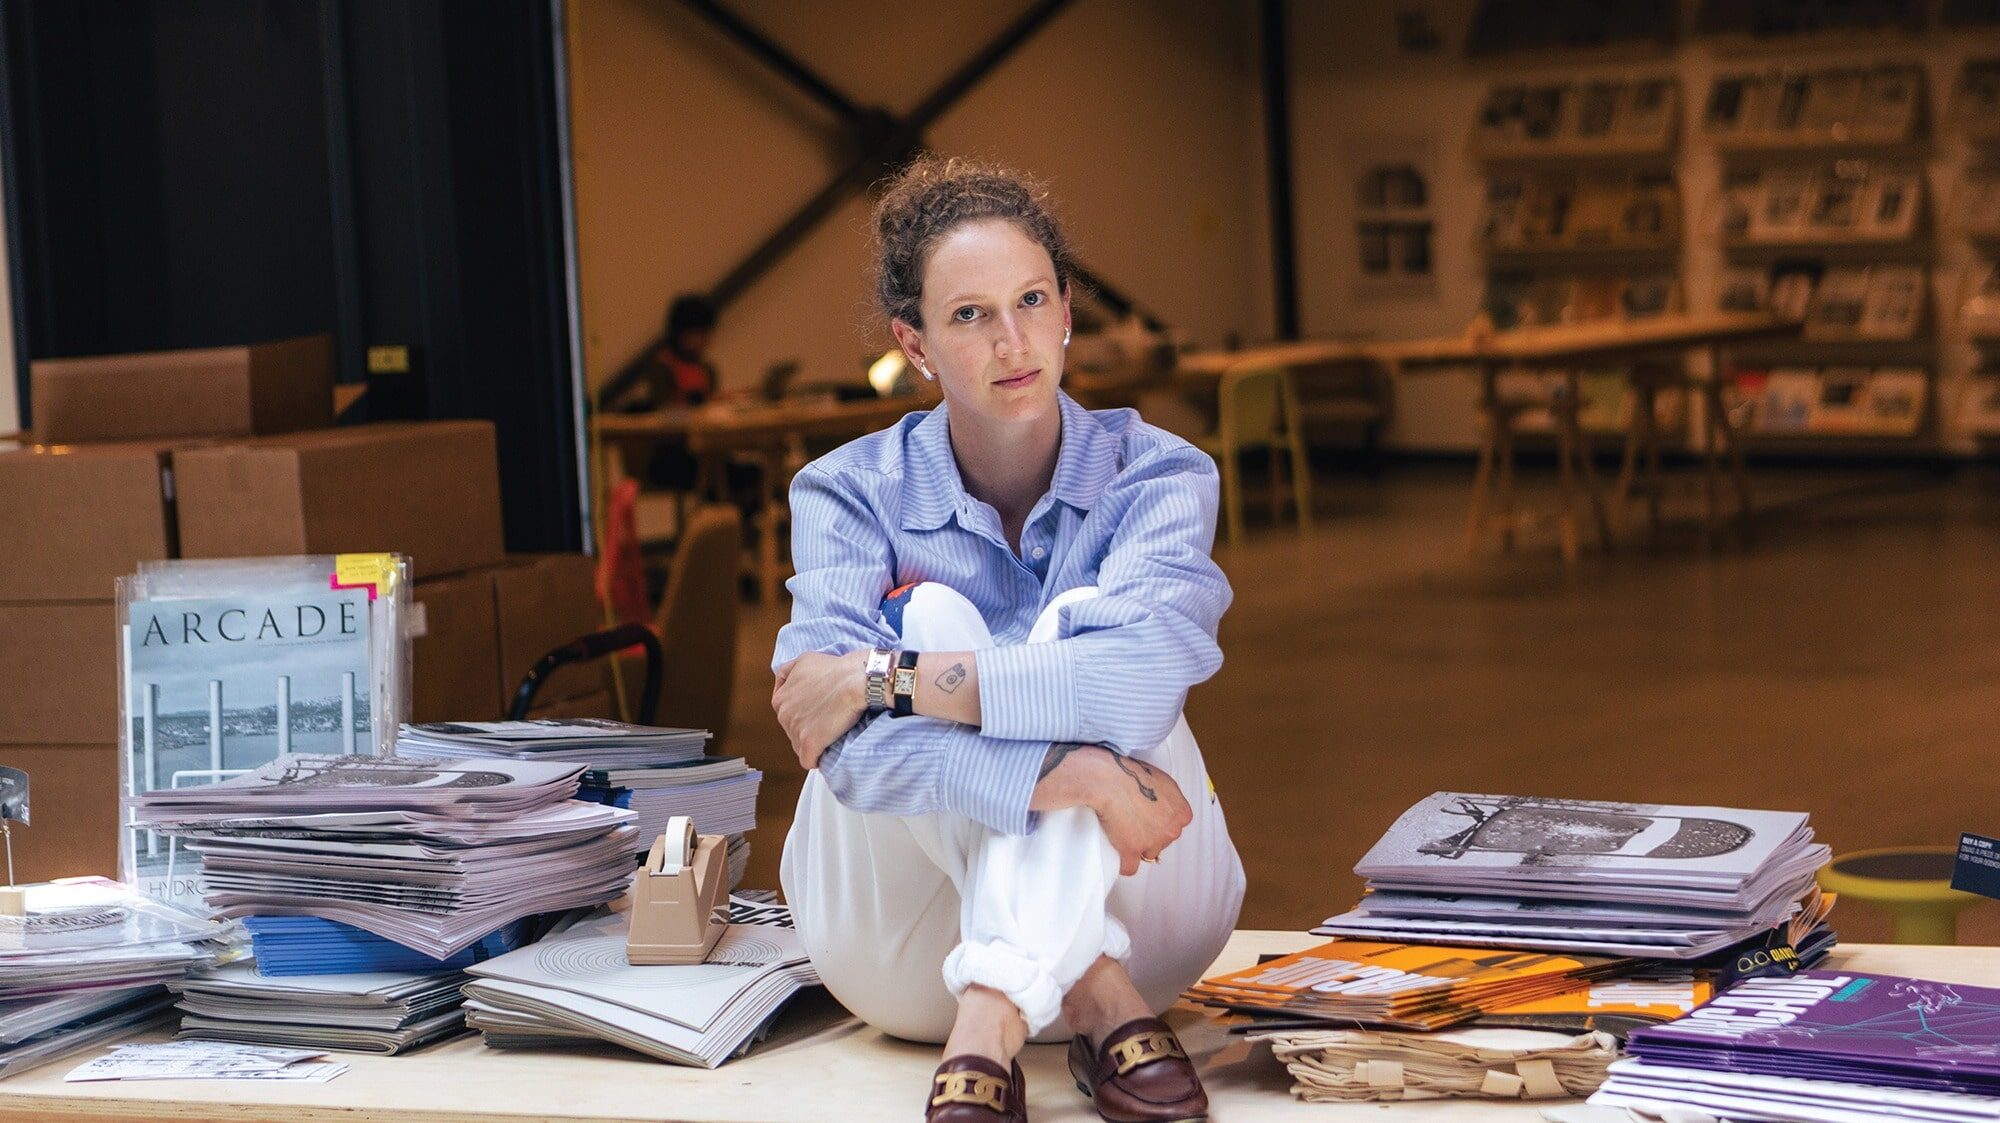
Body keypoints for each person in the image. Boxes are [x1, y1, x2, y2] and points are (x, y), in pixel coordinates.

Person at [771, 155, 1244, 1123]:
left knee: (1068, 636)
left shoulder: (1159, 474)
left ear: (1068, 308)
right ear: (915, 343)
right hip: (899, 954)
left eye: (1031, 300)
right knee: (943, 614)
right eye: (968, 315)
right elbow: (839, 755)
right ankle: (1091, 994)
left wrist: (880, 676)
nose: (1011, 339)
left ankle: (986, 1026)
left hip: (1151, 912)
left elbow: (1129, 690)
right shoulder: (843, 490)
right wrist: (1067, 775)